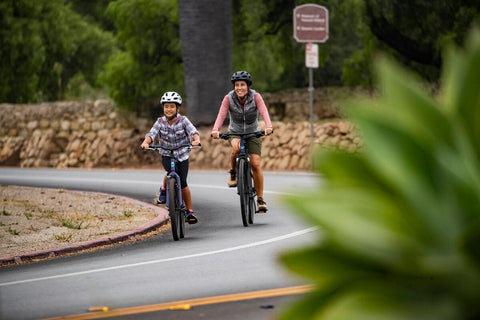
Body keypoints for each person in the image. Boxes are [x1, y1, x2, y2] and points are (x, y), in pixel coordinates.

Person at [211, 71, 273, 212]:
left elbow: (264, 112)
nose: (239, 88)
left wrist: (268, 126)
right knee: (237, 149)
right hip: (235, 132)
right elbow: (221, 115)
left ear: (248, 86)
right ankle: (233, 172)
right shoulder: (228, 98)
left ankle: (261, 199)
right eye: (237, 85)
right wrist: (216, 129)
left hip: (253, 132)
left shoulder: (256, 97)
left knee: (255, 163)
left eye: (242, 85)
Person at [140, 91, 201, 224]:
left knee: (183, 182)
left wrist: (195, 140)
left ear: (177, 108)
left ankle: (189, 211)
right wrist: (146, 142)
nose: (169, 109)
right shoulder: (159, 122)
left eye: (172, 106)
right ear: (163, 108)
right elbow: (152, 133)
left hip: (182, 154)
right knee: (170, 173)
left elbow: (193, 131)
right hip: (167, 153)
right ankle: (163, 190)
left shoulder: (183, 120)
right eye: (166, 106)